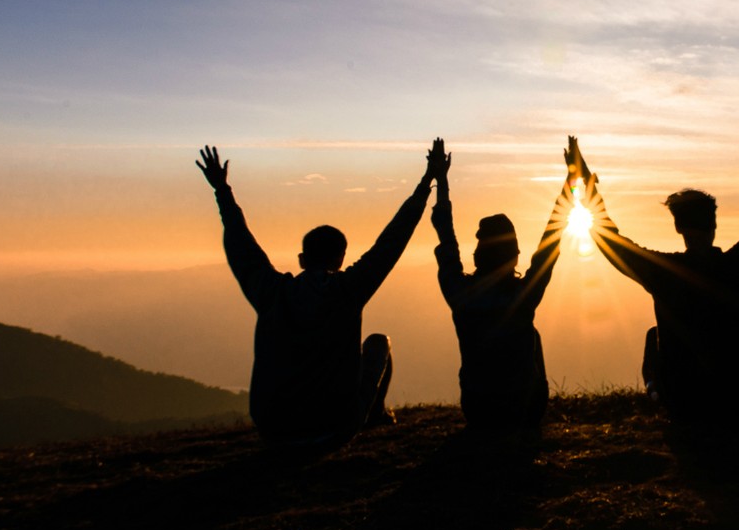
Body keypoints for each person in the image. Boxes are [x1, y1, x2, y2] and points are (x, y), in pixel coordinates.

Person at [196, 141, 447, 450]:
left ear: (302, 259)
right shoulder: (349, 290)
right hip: (335, 428)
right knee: (378, 343)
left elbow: (241, 246)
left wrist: (222, 190)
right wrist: (428, 181)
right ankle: (376, 415)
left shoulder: (271, 293)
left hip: (274, 430)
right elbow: (392, 240)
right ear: (341, 259)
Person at [571, 118, 739, 424]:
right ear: (714, 224)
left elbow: (609, 240)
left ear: (678, 226)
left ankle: (658, 391)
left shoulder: (664, 272)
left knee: (653, 339)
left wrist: (585, 185)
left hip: (685, 400)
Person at [430, 138, 578, 429]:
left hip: (477, 409)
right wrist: (571, 180)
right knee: (531, 335)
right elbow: (552, 236)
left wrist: (441, 179)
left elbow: (445, 233)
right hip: (523, 410)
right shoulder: (524, 294)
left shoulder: (459, 292)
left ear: (477, 254)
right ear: (514, 256)